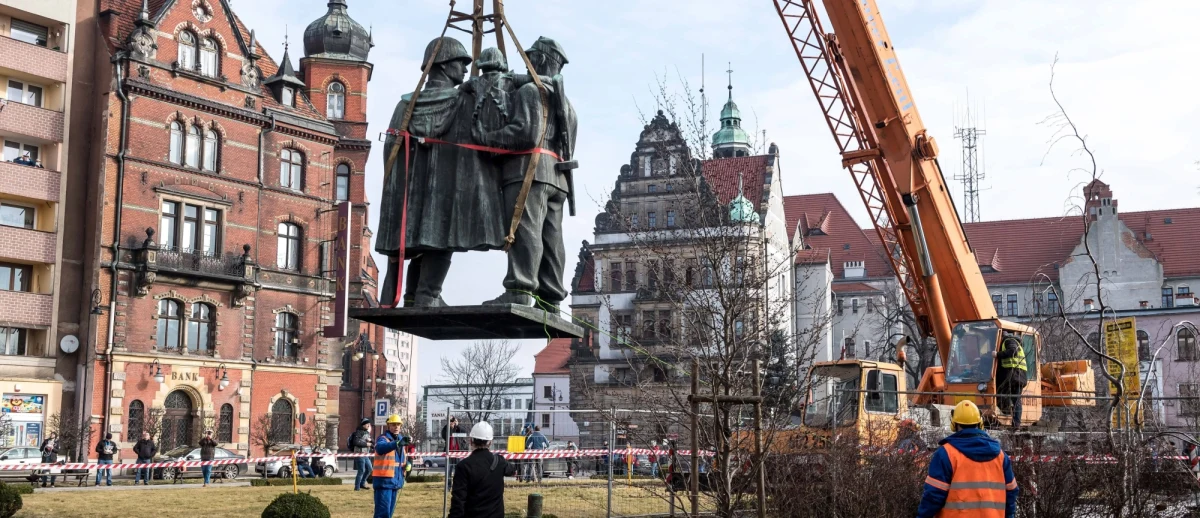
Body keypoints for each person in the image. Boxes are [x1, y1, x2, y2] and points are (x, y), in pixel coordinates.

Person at [377, 36, 506, 308]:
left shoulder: (406, 104)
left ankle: (406, 294)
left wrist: (402, 184)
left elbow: (390, 148)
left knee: (415, 239)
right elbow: (487, 133)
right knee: (440, 236)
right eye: (460, 63)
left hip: (409, 189)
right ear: (444, 65)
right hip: (445, 188)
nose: (464, 69)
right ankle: (427, 294)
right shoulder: (464, 100)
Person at [479, 36, 578, 314]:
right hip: (558, 179)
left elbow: (523, 133)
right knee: (551, 236)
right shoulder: (568, 104)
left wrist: (487, 138)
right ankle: (550, 298)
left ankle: (520, 289)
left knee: (526, 230)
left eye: (531, 58)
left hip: (529, 171)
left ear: (543, 59)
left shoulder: (531, 92)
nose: (528, 63)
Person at [917, 400, 1018, 518]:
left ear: (954, 424)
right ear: (980, 423)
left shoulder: (946, 453)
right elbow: (1011, 493)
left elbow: (933, 496)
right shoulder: (1000, 456)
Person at [447, 422, 516, 518]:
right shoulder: (500, 462)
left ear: (471, 441)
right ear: (490, 442)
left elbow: (458, 502)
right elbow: (512, 470)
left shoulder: (463, 466)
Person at [373, 414, 410, 518]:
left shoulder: (402, 441)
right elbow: (380, 448)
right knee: (382, 514)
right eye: (393, 424)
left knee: (389, 514)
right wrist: (397, 443)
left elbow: (400, 460)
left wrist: (407, 465)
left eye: (398, 424)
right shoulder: (383, 439)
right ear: (388, 426)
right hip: (384, 482)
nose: (396, 427)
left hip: (395, 482)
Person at [996, 333, 1028, 430]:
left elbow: (1013, 351)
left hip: (1014, 375)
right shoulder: (1016, 342)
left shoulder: (1009, 340)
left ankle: (1014, 421)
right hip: (1018, 375)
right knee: (1015, 399)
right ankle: (1015, 422)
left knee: (1002, 394)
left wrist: (997, 354)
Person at [349, 418, 374, 490]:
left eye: (369, 424)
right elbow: (356, 442)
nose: (368, 425)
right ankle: (357, 487)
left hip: (366, 454)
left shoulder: (367, 433)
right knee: (361, 470)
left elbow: (372, 442)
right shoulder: (358, 432)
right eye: (367, 424)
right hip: (359, 454)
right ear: (363, 424)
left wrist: (371, 441)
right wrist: (366, 444)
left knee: (369, 469)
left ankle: (362, 484)